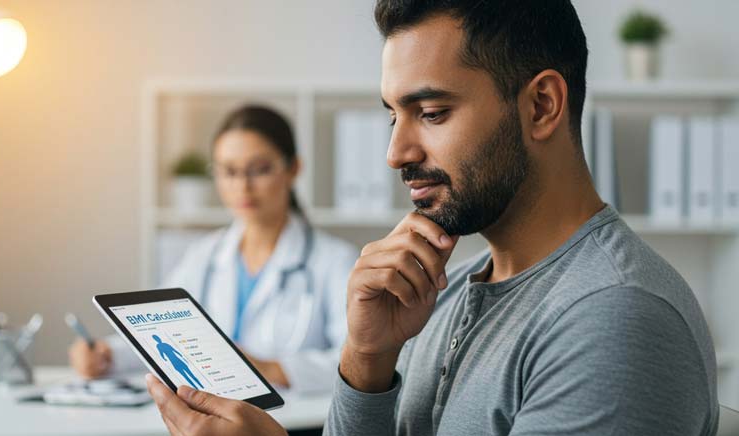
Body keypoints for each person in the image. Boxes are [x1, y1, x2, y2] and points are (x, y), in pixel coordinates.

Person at [145, 0, 719, 434]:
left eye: (433, 112)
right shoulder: (439, 298)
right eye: (394, 116)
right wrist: (366, 361)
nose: (397, 152)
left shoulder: (613, 316)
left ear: (541, 106)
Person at [70, 105, 358, 394]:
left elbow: (360, 363)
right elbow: (160, 332)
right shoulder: (205, 255)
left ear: (293, 168)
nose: (242, 186)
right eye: (229, 171)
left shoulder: (334, 261)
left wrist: (268, 368)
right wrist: (106, 355)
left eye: (259, 170)